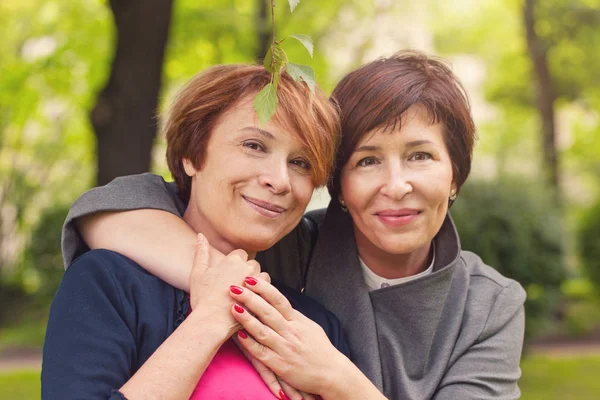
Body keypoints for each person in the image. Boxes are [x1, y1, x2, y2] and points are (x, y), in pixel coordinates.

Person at [61, 51, 526, 399]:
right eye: (367, 160)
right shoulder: (291, 247)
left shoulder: (489, 305)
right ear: (339, 184)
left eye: (420, 156)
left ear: (456, 175)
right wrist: (231, 293)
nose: (396, 185)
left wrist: (336, 377)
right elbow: (108, 210)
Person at [42, 64, 351, 400]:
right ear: (192, 154)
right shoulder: (108, 284)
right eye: (254, 145)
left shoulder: (313, 324)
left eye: (301, 163)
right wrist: (211, 319)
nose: (279, 180)